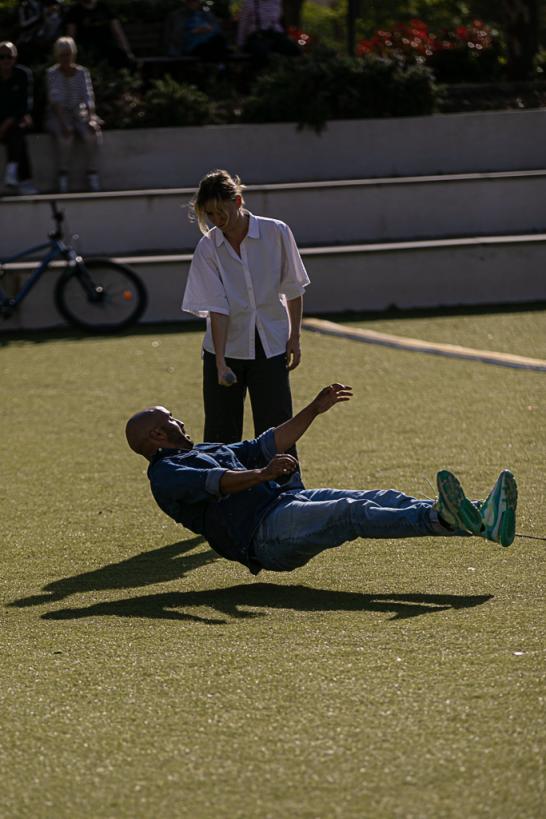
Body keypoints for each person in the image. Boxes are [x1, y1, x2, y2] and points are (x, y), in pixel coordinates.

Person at [125, 383, 519, 575]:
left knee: (383, 496)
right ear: (158, 436)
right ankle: (445, 518)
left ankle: (483, 520)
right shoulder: (166, 474)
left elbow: (264, 443)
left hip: (283, 504)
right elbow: (220, 482)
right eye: (170, 419)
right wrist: (263, 473)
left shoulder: (201, 448)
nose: (179, 421)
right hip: (264, 535)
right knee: (352, 512)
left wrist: (314, 409)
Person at [182, 169, 309, 449]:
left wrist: (294, 338)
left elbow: (293, 288)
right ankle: (222, 492)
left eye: (221, 212)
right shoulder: (207, 247)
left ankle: (285, 491)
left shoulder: (276, 231)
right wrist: (220, 364)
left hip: (272, 343)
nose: (217, 221)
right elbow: (218, 309)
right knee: (220, 433)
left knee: (277, 430)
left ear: (238, 202)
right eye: (210, 215)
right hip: (224, 349)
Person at [46, 36, 102, 192]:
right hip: (59, 115)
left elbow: (88, 96)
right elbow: (55, 100)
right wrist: (64, 123)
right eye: (62, 54)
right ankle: (63, 174)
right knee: (66, 136)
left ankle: (92, 173)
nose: (66, 58)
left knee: (92, 134)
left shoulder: (82, 72)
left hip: (79, 114)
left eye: (68, 54)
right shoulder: (52, 73)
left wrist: (91, 118)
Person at [0, 41, 38, 195]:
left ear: (15, 58)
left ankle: (13, 171)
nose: (5, 60)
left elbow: (25, 105)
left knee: (18, 130)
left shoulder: (23, 75)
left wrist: (6, 124)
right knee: (17, 135)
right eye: (1, 57)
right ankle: (23, 178)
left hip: (15, 121)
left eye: (9, 56)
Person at [65, 0, 135, 68]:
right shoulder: (74, 11)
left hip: (107, 47)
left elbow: (118, 32)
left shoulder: (104, 8)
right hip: (87, 49)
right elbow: (71, 36)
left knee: (124, 60)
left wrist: (127, 51)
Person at [165, 0, 229, 61]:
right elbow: (176, 35)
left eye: (195, 1)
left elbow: (216, 29)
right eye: (191, 1)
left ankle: (218, 50)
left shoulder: (206, 14)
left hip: (209, 41)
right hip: (192, 46)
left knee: (218, 41)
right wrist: (194, 31)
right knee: (209, 47)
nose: (193, 3)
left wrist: (208, 29)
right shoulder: (178, 16)